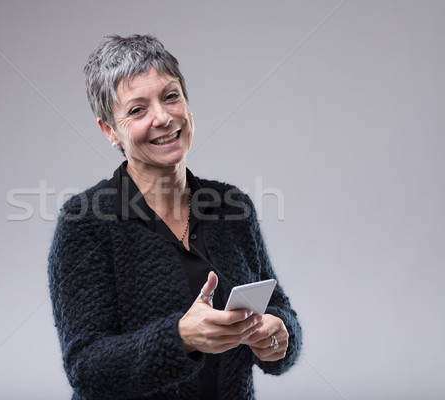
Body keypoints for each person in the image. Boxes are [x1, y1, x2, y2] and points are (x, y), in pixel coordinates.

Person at [48, 34, 302, 400]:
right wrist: (181, 338)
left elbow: (278, 307)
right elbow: (86, 368)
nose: (164, 117)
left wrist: (278, 335)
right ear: (109, 131)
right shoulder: (84, 223)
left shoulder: (233, 206)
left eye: (171, 96)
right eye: (137, 110)